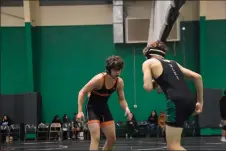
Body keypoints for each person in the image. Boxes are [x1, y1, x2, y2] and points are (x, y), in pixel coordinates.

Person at [142, 41, 203, 150]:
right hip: (190, 101)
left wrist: (153, 80)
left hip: (176, 102)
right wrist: (200, 102)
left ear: (148, 55)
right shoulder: (174, 63)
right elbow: (197, 77)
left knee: (173, 146)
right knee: (173, 141)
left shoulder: (148, 63)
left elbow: (148, 87)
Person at [77, 55, 133, 150]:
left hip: (104, 108)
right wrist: (80, 111)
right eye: (115, 69)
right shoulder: (99, 79)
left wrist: (127, 109)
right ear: (109, 69)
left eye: (119, 69)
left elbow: (121, 99)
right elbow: (82, 91)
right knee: (96, 138)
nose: (118, 72)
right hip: (92, 108)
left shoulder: (119, 82)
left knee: (112, 139)